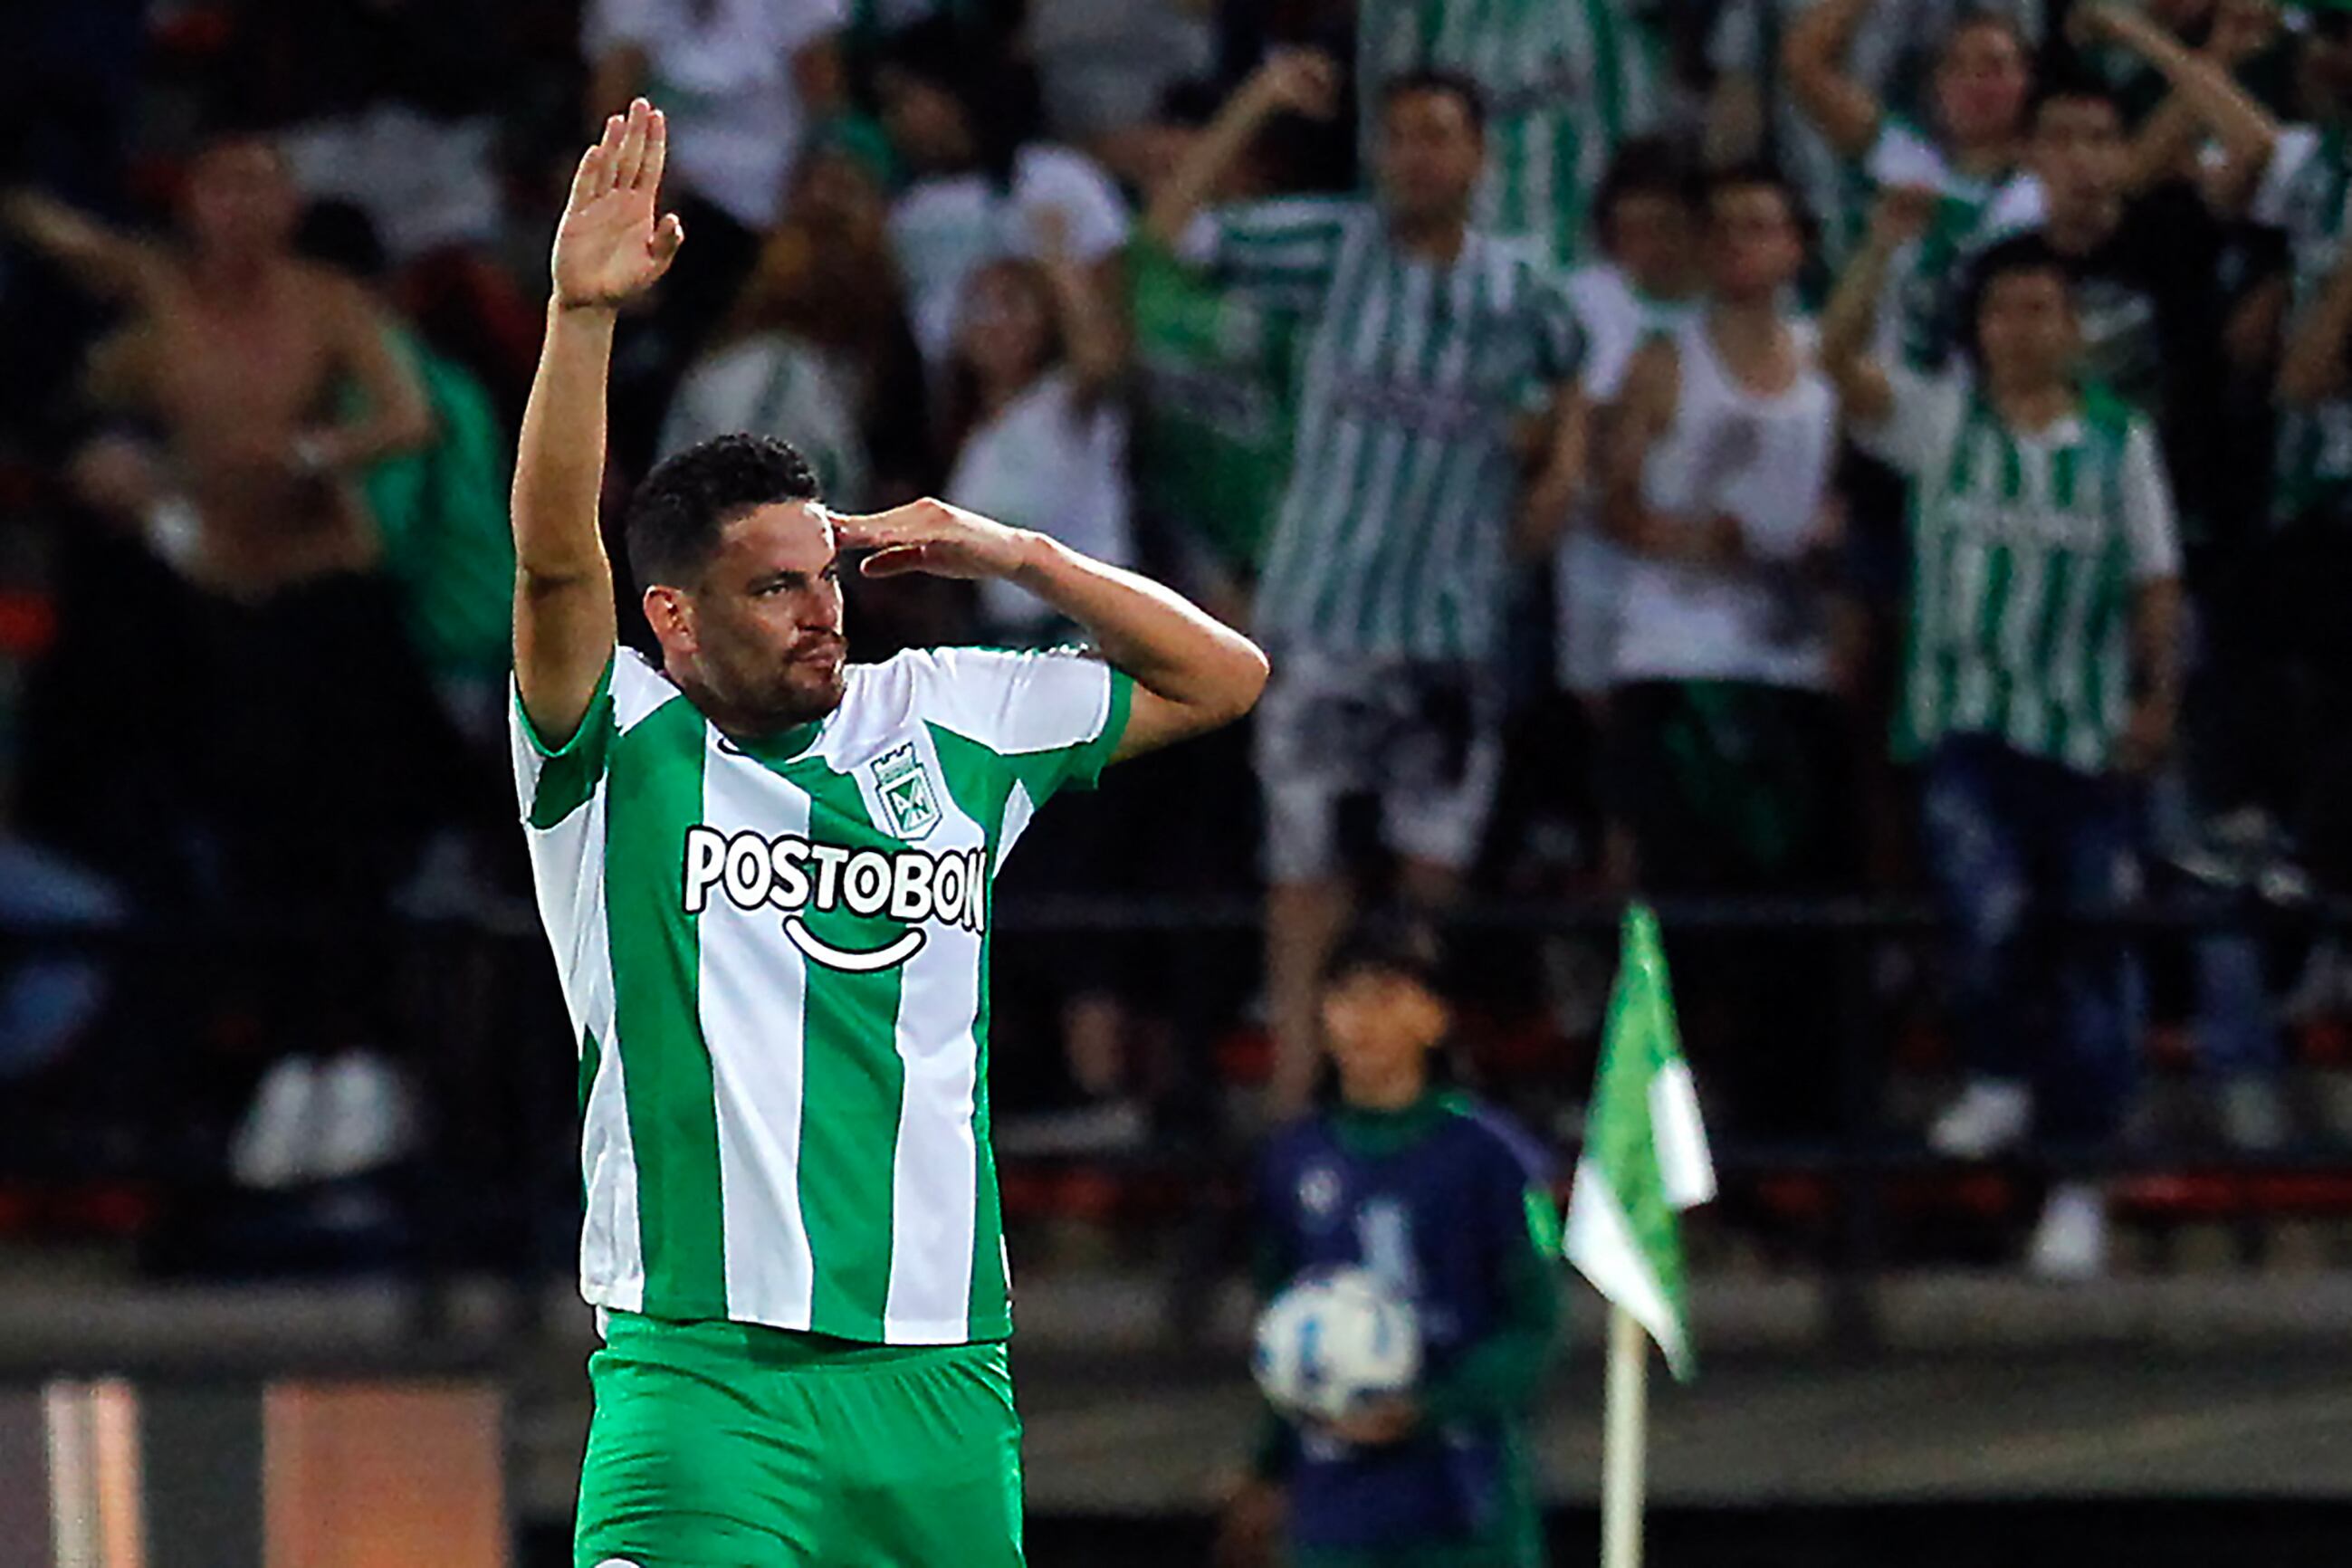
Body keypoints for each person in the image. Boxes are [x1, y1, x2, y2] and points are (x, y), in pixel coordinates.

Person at [517, 101, 1267, 1568]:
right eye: (775, 588)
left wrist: (1015, 551)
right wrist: (579, 318)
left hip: (941, 1373)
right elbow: (553, 559)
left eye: (826, 573)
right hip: (701, 1371)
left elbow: (1222, 675)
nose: (823, 611)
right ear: (669, 616)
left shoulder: (948, 717)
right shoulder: (613, 745)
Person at [1148, 56, 1590, 1116]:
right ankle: (1300, 1119)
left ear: (1480, 155)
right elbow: (1170, 231)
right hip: (1323, 624)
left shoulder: (1521, 285)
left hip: (1449, 631)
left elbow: (1575, 373)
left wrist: (1559, 474)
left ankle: (1412, 1109)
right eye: (1399, 137)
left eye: (1439, 136)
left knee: (1429, 893)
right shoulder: (1332, 247)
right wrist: (1251, 99)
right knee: (1305, 888)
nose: (1416, 158)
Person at [1822, 212, 2185, 1277]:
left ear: (2074, 328)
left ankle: (2074, 1178)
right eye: (2000, 310)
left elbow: (2156, 583)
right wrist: (1880, 250)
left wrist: (2156, 699)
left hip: (2079, 735)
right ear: (1975, 327)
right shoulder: (1941, 422)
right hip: (1967, 722)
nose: (2019, 330)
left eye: (2039, 309)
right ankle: (1997, 1074)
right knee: (1984, 906)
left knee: (2088, 958)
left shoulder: (2122, 443)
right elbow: (1836, 362)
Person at [1601, 165, 1850, 1133]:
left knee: (1792, 916)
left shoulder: (1828, 359)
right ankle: (1679, 1113)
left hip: (1787, 665)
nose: (1745, 243)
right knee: (1687, 907)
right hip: (1678, 656)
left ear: (1796, 246)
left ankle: (1784, 1120)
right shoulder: (1668, 360)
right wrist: (1696, 538)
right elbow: (1616, 501)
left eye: (1764, 224)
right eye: (1729, 227)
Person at [1219, 926, 1562, 1568]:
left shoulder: (1490, 1157)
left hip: (1462, 1501)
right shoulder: (1293, 1160)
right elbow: (1280, 1322)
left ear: (1433, 1016)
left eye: (1385, 997)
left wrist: (1433, 1406)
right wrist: (1266, 1467)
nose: (1362, 1020)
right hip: (1336, 1506)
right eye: (1345, 998)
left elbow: (1535, 1325)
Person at [583, 0, 848, 473]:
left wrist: (805, 212)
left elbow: (827, 106)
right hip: (679, 201)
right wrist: (641, 194)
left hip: (774, 201)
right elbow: (614, 104)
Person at [875, 17, 1133, 377]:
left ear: (950, 93)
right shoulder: (904, 212)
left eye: (903, 100)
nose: (892, 121)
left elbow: (1112, 311)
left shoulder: (1058, 179)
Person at [1783, 0, 2034, 367]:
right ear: (1937, 84)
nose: (1977, 84)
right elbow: (1805, 64)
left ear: (2026, 79)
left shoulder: (2047, 182)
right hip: (1896, 393)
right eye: (1958, 68)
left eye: (1995, 67)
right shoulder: (1904, 158)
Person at [1554, 139, 1703, 720]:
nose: (1649, 246)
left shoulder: (1731, 309)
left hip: (1695, 552)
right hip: (1597, 553)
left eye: (1664, 226)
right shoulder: (1582, 303)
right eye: (1630, 229)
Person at [1356, 0, 1666, 264]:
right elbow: (1386, 123)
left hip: (1578, 260)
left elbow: (1639, 143)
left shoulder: (1607, 14)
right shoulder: (1425, 13)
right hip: (1448, 264)